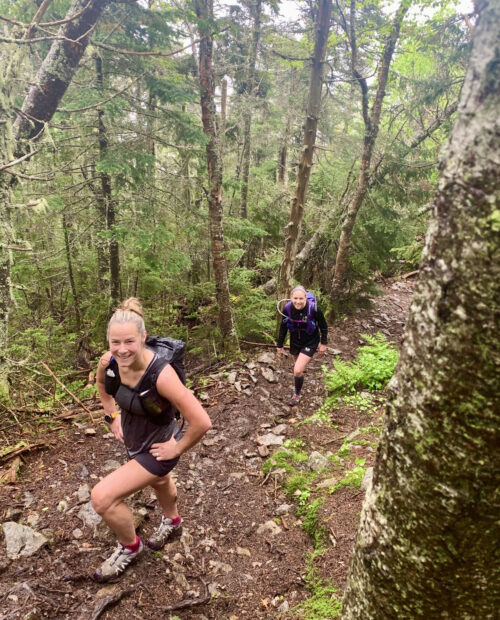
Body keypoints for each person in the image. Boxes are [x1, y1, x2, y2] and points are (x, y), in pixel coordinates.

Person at [91, 298, 212, 582]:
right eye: (115, 342)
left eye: (129, 342)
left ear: (143, 338)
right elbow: (102, 388)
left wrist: (177, 446)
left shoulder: (161, 375)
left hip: (159, 447)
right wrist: (112, 418)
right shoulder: (108, 362)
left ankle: (130, 547)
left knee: (102, 498)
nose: (122, 350)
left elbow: (202, 421)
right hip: (135, 439)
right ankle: (172, 521)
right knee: (159, 482)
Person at [276, 285, 328, 406]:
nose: (298, 301)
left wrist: (323, 343)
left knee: (297, 370)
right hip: (295, 341)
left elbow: (323, 326)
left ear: (305, 298)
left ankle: (297, 394)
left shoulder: (314, 309)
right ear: (291, 298)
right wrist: (280, 345)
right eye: (295, 298)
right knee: (298, 370)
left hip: (311, 340)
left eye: (301, 298)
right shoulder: (287, 309)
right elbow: (283, 328)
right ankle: (299, 380)